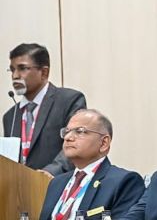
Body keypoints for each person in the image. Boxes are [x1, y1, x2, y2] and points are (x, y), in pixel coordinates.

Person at [39, 109, 144, 219]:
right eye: (67, 131)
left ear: (104, 143)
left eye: (80, 131)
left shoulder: (124, 181)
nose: (68, 138)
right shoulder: (56, 183)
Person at [2, 43, 86, 176]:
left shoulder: (69, 100)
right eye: (12, 70)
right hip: (20, 191)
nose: (15, 76)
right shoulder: (10, 116)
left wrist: (49, 172)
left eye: (22, 68)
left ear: (44, 72)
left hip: (57, 186)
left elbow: (75, 142)